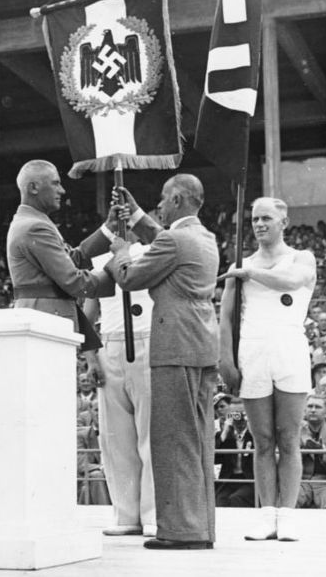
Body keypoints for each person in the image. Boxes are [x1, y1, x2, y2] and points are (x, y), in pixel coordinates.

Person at [105, 174, 219, 550]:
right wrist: (136, 213)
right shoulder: (202, 237)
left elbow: (129, 276)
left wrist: (121, 248)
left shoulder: (174, 240)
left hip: (174, 344)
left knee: (172, 440)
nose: (160, 205)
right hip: (201, 342)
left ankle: (180, 530)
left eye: (164, 199)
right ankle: (200, 527)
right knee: (196, 438)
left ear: (178, 200)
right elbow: (163, 241)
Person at [219, 197, 316, 541]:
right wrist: (225, 359)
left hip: (289, 348)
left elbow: (291, 281)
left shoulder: (301, 258)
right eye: (255, 219)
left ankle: (287, 515)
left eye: (267, 219)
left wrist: (249, 273)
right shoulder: (239, 264)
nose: (259, 224)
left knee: (289, 438)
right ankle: (267, 514)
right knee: (262, 440)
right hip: (253, 349)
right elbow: (226, 315)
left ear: (284, 222)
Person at [6, 160, 116, 377]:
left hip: (45, 314)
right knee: (51, 392)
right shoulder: (34, 227)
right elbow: (73, 281)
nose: (62, 190)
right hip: (47, 318)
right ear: (34, 188)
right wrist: (114, 271)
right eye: (55, 184)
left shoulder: (33, 222)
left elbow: (72, 258)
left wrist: (108, 229)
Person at [84, 234, 156, 537]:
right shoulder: (101, 261)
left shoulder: (154, 252)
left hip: (148, 337)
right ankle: (125, 513)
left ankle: (153, 514)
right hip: (110, 341)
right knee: (116, 438)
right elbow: (88, 314)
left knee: (151, 433)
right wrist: (91, 358)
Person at [214, 396, 255, 508]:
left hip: (249, 480)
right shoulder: (226, 436)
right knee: (220, 501)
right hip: (229, 479)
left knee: (236, 499)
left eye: (241, 413)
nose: (239, 417)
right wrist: (225, 430)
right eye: (234, 414)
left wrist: (251, 424)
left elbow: (262, 449)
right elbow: (213, 458)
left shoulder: (253, 434)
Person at [296, 394, 326, 509]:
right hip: (300, 481)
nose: (313, 410)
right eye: (310, 406)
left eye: (318, 407)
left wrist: (323, 452)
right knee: (285, 505)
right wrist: (300, 450)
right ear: (304, 411)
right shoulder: (295, 431)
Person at [77, 399, 111, 506]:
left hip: (115, 472)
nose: (101, 413)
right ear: (90, 411)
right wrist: (102, 468)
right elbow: (82, 465)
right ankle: (104, 514)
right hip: (91, 477)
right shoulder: (81, 434)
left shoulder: (121, 432)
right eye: (97, 410)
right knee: (97, 475)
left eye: (104, 410)